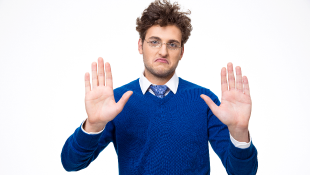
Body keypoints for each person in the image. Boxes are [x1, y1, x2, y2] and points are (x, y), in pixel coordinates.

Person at [61, 0, 258, 174]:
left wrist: (240, 132)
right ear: (140, 46)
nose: (163, 51)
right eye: (154, 42)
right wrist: (93, 125)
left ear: (182, 51)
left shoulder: (204, 100)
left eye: (172, 44)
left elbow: (243, 172)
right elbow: (71, 163)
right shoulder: (116, 102)